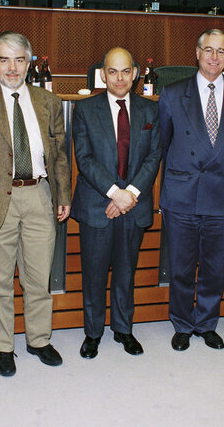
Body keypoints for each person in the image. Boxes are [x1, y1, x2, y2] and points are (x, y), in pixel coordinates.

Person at [0, 31, 72, 377]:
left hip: (39, 195)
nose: (12, 67)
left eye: (19, 60)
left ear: (29, 63)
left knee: (38, 278)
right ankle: (4, 347)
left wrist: (63, 195)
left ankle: (38, 340)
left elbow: (61, 155)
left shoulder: (48, 102)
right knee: (0, 281)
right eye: (4, 59)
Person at [158, 29, 224, 351]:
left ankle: (207, 323)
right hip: (181, 193)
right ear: (197, 53)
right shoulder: (172, 94)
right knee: (182, 266)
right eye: (208, 50)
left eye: (221, 52)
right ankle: (183, 324)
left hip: (220, 192)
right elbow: (164, 142)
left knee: (214, 267)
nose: (214, 57)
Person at [70, 47, 162, 359]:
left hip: (133, 206)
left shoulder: (150, 111)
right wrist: (115, 193)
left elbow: (153, 157)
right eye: (113, 71)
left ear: (135, 73)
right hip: (98, 205)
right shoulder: (84, 109)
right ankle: (93, 333)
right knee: (94, 274)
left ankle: (123, 329)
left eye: (126, 71)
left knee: (125, 273)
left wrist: (130, 194)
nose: (120, 78)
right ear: (103, 75)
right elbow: (84, 159)